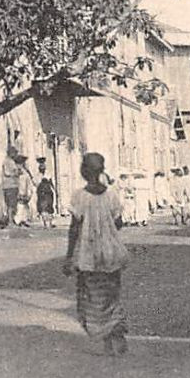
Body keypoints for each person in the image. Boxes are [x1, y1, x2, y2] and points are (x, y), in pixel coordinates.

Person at [63, 151, 130, 356]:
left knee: (90, 296)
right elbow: (118, 222)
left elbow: (74, 228)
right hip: (110, 253)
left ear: (84, 171)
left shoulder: (79, 197)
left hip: (89, 254)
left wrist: (69, 257)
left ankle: (105, 335)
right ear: (101, 171)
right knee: (112, 294)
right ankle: (115, 331)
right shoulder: (111, 194)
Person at [0, 145, 30, 228]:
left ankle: (12, 220)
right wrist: (16, 173)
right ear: (10, 153)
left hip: (13, 185)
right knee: (11, 204)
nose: (15, 154)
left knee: (13, 204)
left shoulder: (11, 161)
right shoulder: (7, 162)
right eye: (14, 153)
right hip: (9, 185)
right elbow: (7, 173)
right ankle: (10, 222)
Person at [35, 158, 56, 229]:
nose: (42, 167)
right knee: (42, 208)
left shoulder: (48, 173)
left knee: (49, 207)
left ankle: (50, 223)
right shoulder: (37, 175)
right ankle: (44, 224)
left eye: (43, 166)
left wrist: (55, 190)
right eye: (41, 166)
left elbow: (51, 182)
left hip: (48, 192)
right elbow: (36, 184)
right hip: (41, 193)